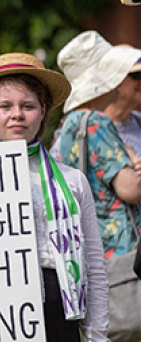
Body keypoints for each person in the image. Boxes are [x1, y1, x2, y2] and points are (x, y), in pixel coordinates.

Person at [0, 52, 109, 341]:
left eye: (27, 105)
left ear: (42, 111)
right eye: (5, 106)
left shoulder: (72, 180)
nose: (17, 114)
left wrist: (97, 334)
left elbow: (93, 261)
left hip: (59, 312)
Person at [56, 31, 141, 259]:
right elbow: (131, 189)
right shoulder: (97, 122)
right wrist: (133, 162)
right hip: (123, 250)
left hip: (92, 250)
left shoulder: (67, 127)